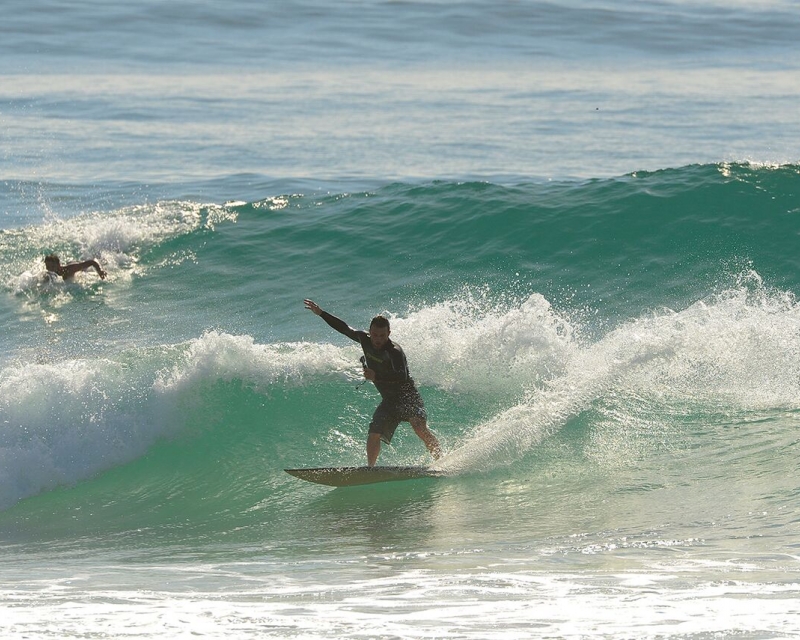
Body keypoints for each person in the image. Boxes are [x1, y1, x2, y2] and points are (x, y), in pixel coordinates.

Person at [304, 299, 442, 466]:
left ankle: (440, 461)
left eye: (382, 336)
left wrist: (377, 377)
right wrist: (321, 313)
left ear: (389, 333)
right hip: (389, 401)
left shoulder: (395, 352)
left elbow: (402, 376)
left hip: (408, 397)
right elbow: (344, 328)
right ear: (369, 332)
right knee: (374, 432)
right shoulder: (364, 339)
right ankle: (371, 469)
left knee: (419, 427)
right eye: (375, 335)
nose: (378, 339)